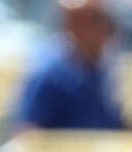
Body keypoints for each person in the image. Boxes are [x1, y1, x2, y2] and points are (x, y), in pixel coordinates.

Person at [11, 0, 121, 132]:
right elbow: (29, 131)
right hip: (60, 151)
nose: (106, 29)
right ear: (72, 25)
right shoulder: (48, 71)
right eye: (94, 20)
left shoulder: (106, 65)